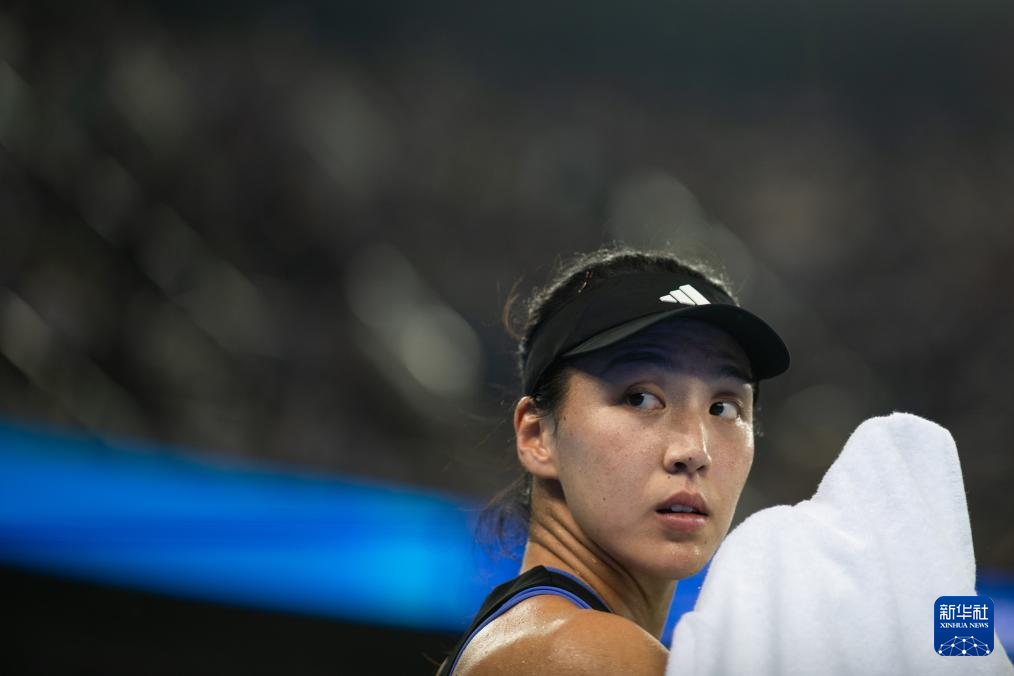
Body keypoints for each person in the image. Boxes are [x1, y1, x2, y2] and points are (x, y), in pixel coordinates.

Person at [436, 246, 790, 676]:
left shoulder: (531, 639)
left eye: (724, 408)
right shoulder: (577, 653)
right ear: (537, 436)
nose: (695, 451)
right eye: (640, 398)